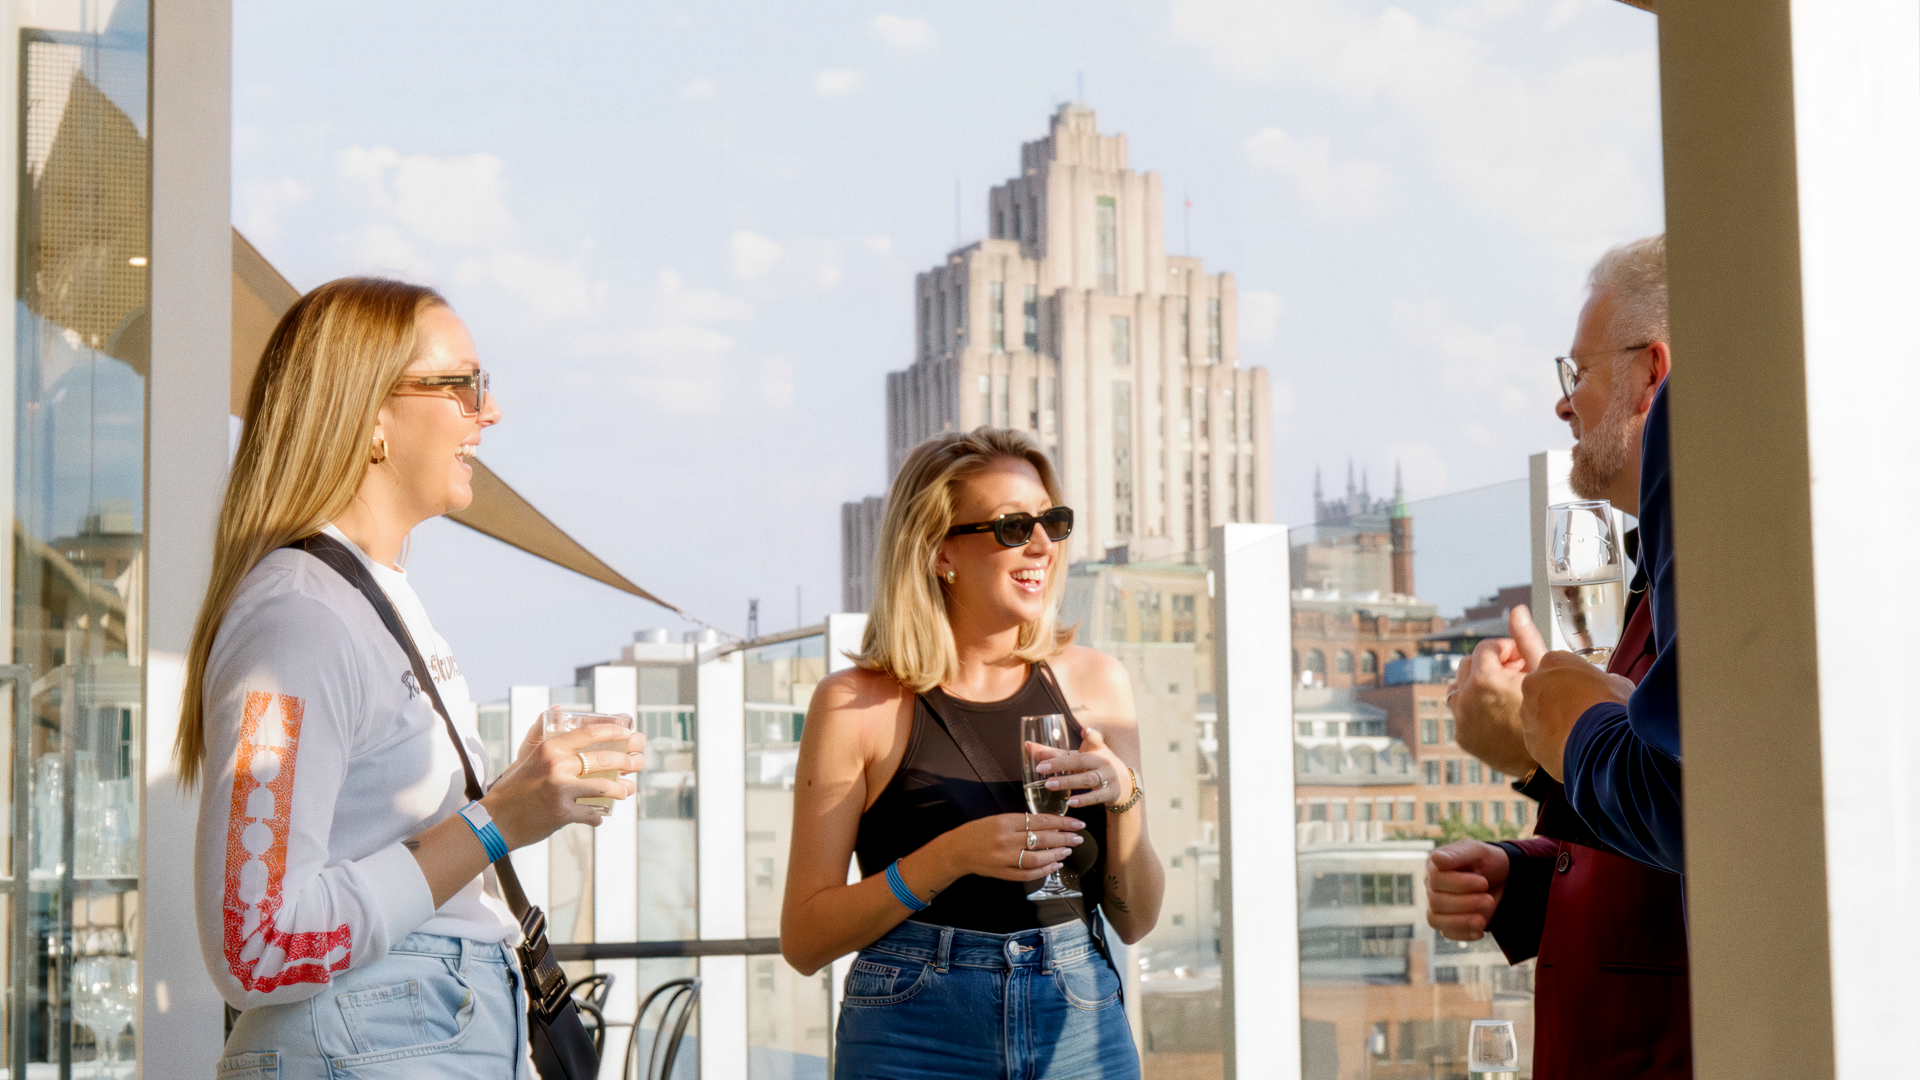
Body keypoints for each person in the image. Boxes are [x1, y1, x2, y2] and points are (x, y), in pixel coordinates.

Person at [178, 278, 646, 1078]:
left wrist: (515, 798)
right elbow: (254, 945)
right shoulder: (300, 617)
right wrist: (497, 818)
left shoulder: (371, 601)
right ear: (371, 420)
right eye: (461, 385)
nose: (487, 412)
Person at [781, 428, 1164, 1080]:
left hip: (1077, 1010)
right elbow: (805, 939)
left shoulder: (1098, 683)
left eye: (1052, 521)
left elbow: (1136, 921)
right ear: (938, 552)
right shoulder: (856, 704)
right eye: (1014, 526)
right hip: (911, 1025)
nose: (1042, 544)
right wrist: (950, 857)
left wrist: (1124, 794)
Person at [1426, 236, 1691, 1076]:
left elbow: (1694, 802)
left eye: (1579, 375)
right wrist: (1526, 879)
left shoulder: (1704, 522)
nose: (1565, 406)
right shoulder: (1659, 558)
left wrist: (1538, 746)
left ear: (1655, 371)